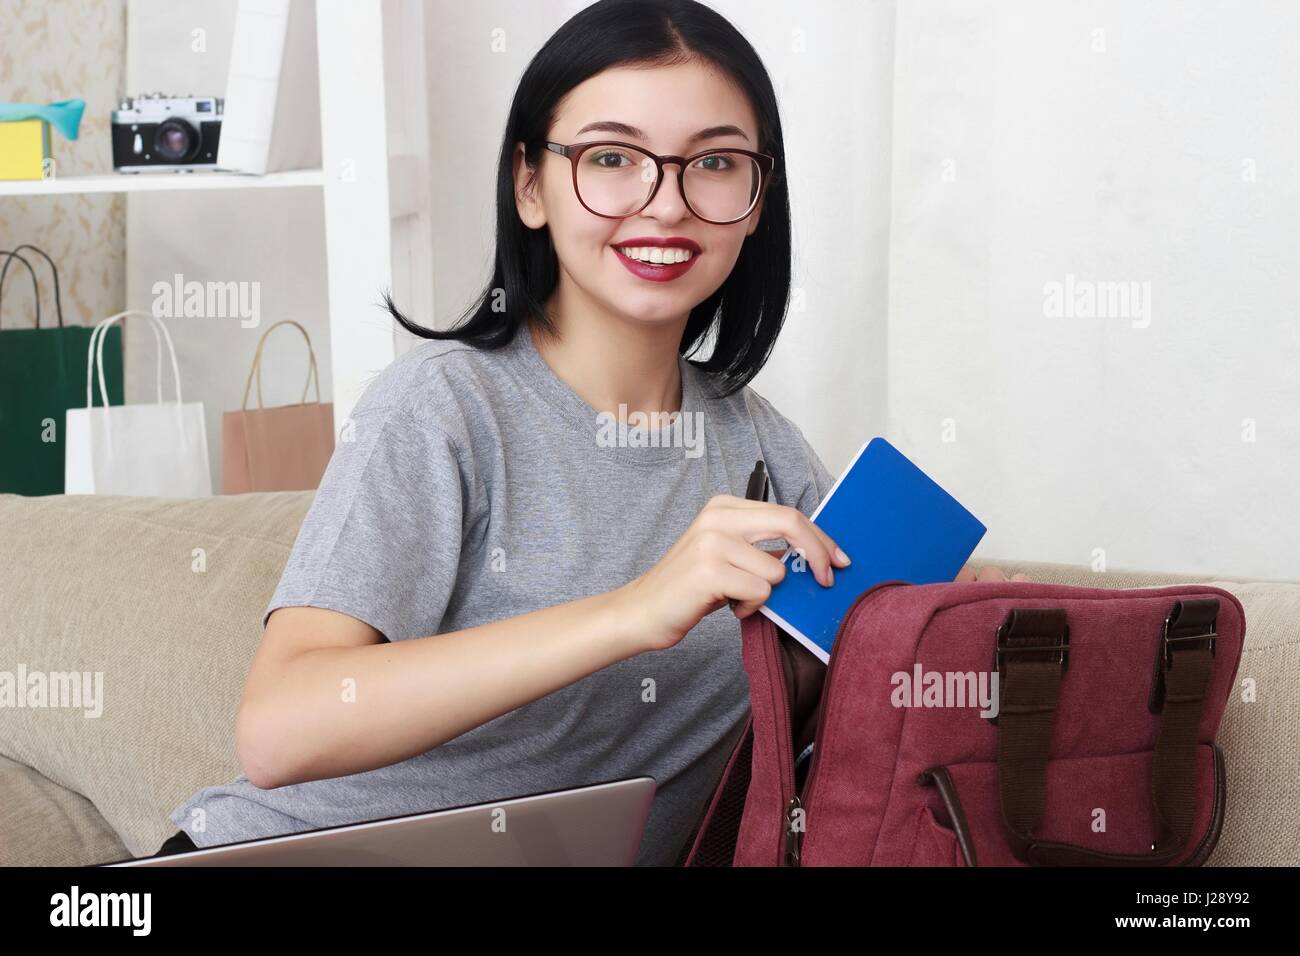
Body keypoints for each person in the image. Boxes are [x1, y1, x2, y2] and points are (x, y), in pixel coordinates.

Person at [158, 0, 1023, 866]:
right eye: (612, 157)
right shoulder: (445, 406)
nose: (666, 203)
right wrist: (633, 612)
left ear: (757, 200)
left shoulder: (770, 458)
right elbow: (278, 730)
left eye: (714, 163)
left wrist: (943, 640)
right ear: (530, 185)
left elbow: (800, 731)